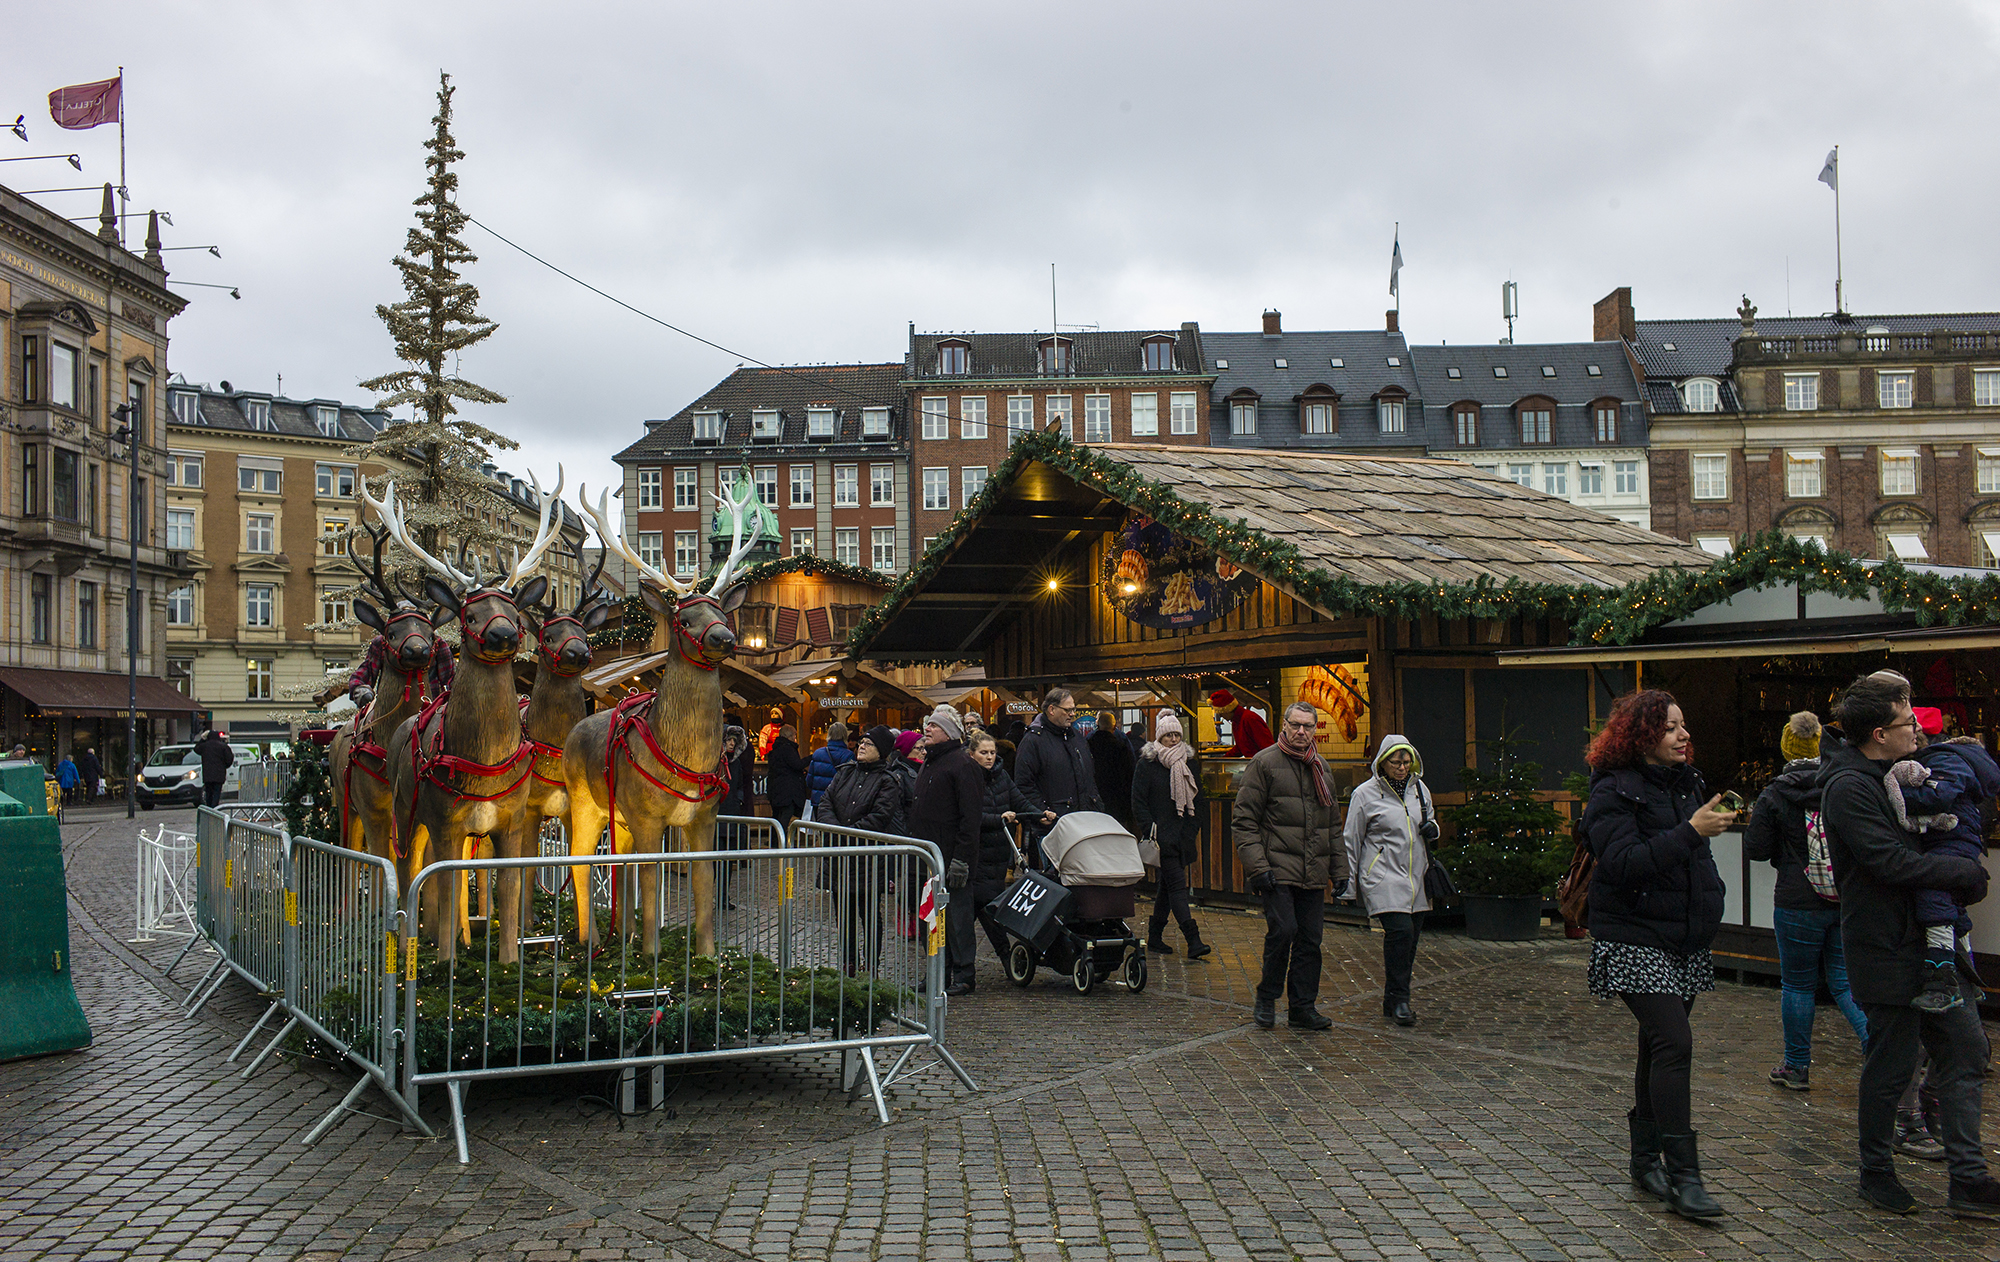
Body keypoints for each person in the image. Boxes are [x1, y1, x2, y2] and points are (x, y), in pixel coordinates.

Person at [1820, 673, 1999, 1217]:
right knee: (1892, 1066)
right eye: (1908, 722)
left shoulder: (1893, 775)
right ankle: (1876, 1172)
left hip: (1930, 946)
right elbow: (1889, 863)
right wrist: (1963, 871)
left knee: (1967, 1053)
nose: (1917, 730)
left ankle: (1968, 1180)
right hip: (1886, 949)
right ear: (1879, 732)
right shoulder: (1849, 786)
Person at [1581, 688, 1730, 1221]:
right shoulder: (1612, 791)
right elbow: (1622, 863)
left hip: (1684, 936)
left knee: (1656, 1045)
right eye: (1671, 728)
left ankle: (1645, 1161)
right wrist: (1690, 833)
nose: (1684, 735)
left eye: (1683, 725)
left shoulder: (1689, 784)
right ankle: (1685, 1176)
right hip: (1631, 934)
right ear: (1641, 736)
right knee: (1674, 1041)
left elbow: (1694, 858)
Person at [1743, 710, 1867, 1093]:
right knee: (1845, 982)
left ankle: (1796, 1067)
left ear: (1785, 746)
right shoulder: (1842, 783)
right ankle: (1879, 1043)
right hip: (1842, 898)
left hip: (1797, 900)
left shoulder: (1775, 792)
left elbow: (1756, 849)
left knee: (1798, 986)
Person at [1232, 701, 1347, 1032]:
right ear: (1283, 725)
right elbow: (1243, 821)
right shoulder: (1264, 764)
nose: (1301, 732)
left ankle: (1302, 1007)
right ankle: (1267, 998)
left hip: (1313, 869)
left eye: (1307, 727)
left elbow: (1332, 826)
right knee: (1283, 931)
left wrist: (1340, 871)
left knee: (1310, 938)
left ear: (1314, 730)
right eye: (1295, 725)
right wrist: (1257, 866)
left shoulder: (1321, 768)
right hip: (1276, 867)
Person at [1881, 706, 1999, 1014]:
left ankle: (1942, 979)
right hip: (1952, 839)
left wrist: (1893, 800)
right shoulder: (1941, 759)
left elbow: (1938, 796)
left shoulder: (1946, 760)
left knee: (1933, 896)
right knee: (1951, 907)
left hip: (1953, 840)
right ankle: (1967, 978)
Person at [1343, 735, 1438, 1027]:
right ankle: (1401, 1001)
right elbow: (1352, 838)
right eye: (1396, 761)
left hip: (1415, 876)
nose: (1401, 767)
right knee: (1400, 933)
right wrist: (1348, 885)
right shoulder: (1365, 794)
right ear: (1382, 762)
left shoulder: (1420, 789)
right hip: (1383, 875)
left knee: (1410, 941)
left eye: (1406, 761)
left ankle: (1392, 998)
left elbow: (1430, 820)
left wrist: (1431, 828)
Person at [907, 706, 984, 996]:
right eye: (927, 726)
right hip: (928, 856)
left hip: (952, 857)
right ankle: (938, 971)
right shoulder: (930, 762)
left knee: (958, 920)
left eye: (935, 727)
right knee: (932, 918)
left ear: (949, 733)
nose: (928, 729)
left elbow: (970, 817)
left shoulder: (963, 765)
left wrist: (962, 859)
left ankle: (964, 975)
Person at [822, 725, 906, 975]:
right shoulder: (844, 773)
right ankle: (848, 963)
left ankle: (870, 963)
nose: (861, 746)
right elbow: (826, 802)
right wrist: (835, 829)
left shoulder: (888, 781)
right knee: (843, 916)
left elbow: (880, 815)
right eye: (860, 742)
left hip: (867, 859)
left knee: (868, 915)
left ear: (881, 751)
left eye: (868, 744)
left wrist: (850, 835)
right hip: (839, 856)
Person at [1132, 711, 1209, 959]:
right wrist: (1150, 828)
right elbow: (1138, 801)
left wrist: (1192, 828)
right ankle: (1193, 940)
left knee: (1167, 886)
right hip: (1161, 836)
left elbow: (1199, 799)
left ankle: (1154, 936)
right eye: (1168, 735)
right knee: (1177, 885)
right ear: (1160, 737)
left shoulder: (1189, 763)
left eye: (1177, 734)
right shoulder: (1147, 764)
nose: (1173, 739)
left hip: (1183, 834)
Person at [969, 730, 1049, 966]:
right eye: (983, 753)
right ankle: (1004, 959)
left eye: (992, 752)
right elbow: (970, 815)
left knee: (987, 909)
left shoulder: (1001, 776)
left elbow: (1019, 800)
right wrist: (998, 818)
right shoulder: (968, 778)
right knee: (984, 910)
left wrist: (1039, 815)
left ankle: (1004, 960)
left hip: (998, 855)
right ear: (972, 754)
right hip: (977, 853)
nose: (989, 757)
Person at [1014, 686, 1103, 820]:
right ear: (1052, 710)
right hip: (1054, 822)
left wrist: (1096, 805)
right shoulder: (1033, 741)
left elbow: (1090, 778)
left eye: (1073, 709)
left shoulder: (1076, 737)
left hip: (1085, 818)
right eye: (1067, 710)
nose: (1072, 714)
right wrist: (1042, 812)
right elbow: (1024, 785)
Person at [716, 725, 754, 910]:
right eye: (728, 740)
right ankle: (715, 896)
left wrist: (738, 800)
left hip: (731, 814)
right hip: (717, 814)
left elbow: (740, 784)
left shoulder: (736, 763)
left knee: (727, 860)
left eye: (734, 741)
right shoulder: (715, 762)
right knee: (715, 860)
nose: (731, 744)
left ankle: (724, 896)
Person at [1088, 710, 1137, 830]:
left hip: (1094, 799)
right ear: (1114, 727)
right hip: (1117, 800)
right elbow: (1130, 774)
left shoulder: (1087, 745)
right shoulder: (1121, 747)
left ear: (1098, 725)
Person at [765, 723, 808, 841]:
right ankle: (781, 841)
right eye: (794, 736)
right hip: (787, 790)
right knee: (785, 815)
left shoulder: (776, 749)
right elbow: (796, 764)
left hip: (776, 788)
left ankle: (775, 840)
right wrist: (811, 758)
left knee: (777, 816)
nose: (795, 738)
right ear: (790, 736)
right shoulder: (787, 748)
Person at [806, 722, 854, 819]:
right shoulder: (849, 755)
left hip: (818, 800)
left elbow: (809, 781)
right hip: (839, 802)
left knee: (821, 830)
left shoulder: (818, 753)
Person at [1209, 689, 1274, 757]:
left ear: (1228, 710)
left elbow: (1267, 748)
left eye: (1221, 713)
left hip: (1260, 763)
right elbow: (1240, 748)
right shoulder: (1236, 722)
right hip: (1253, 762)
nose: (1221, 716)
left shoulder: (1250, 719)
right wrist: (1223, 760)